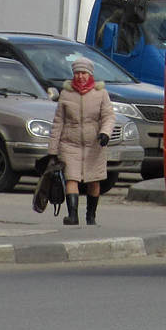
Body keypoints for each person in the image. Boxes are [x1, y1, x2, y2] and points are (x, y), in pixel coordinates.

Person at [46, 57, 115, 226]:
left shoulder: (100, 93)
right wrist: (52, 151)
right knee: (72, 178)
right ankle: (73, 216)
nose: (80, 76)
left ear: (90, 74)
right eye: (77, 73)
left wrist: (105, 133)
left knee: (94, 179)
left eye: (83, 73)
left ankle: (90, 216)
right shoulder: (66, 93)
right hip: (70, 144)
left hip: (94, 145)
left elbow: (108, 116)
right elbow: (58, 123)